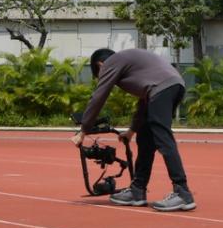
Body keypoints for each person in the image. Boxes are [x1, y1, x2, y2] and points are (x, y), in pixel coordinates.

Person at [76, 48, 195, 212]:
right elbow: (144, 100)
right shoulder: (131, 62)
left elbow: (99, 96)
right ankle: (137, 190)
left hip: (162, 89)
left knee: (163, 137)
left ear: (100, 65)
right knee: (145, 139)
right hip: (173, 85)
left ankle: (182, 192)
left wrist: (83, 130)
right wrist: (132, 130)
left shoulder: (111, 63)